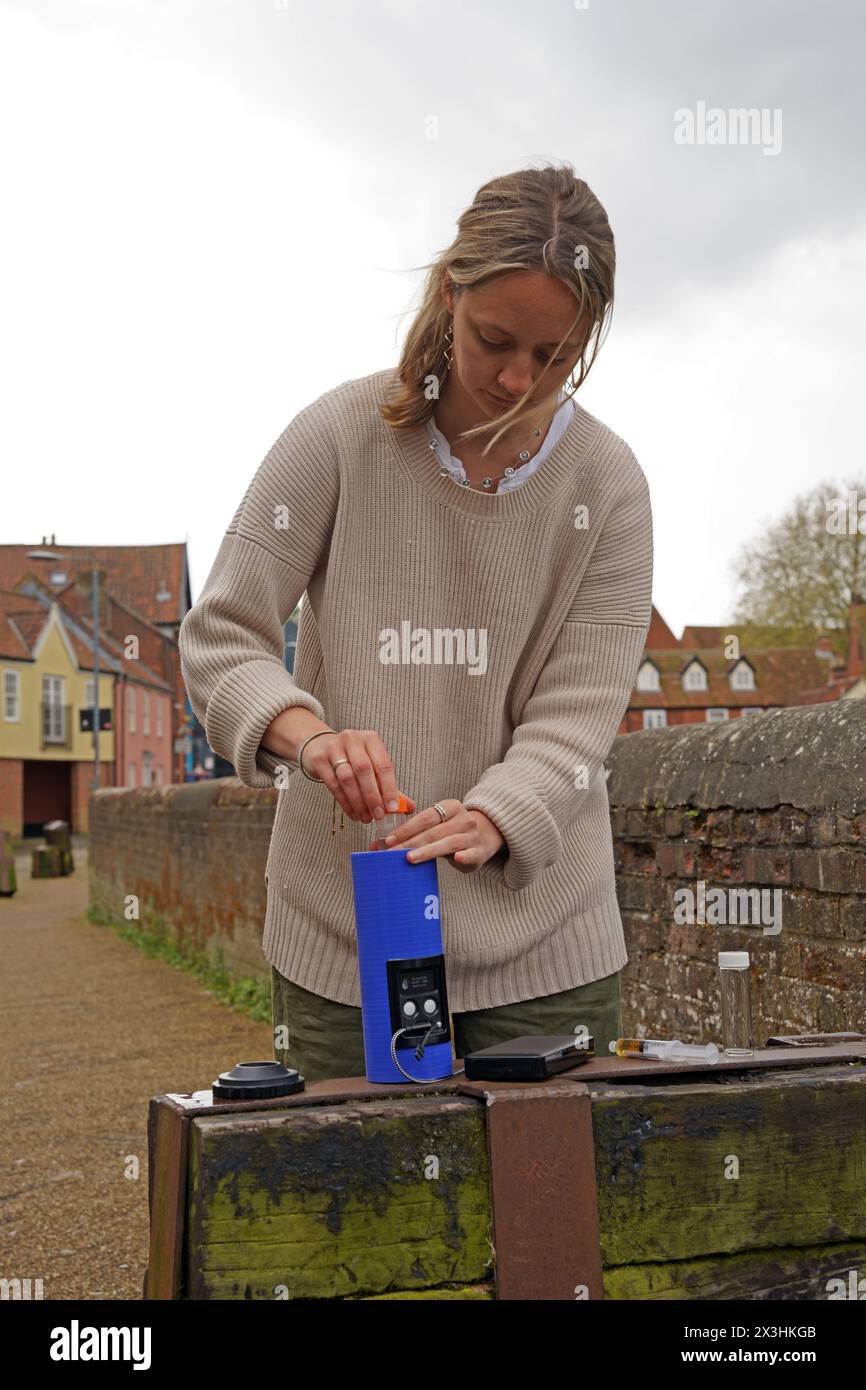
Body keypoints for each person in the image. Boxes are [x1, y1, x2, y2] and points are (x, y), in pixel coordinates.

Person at [178, 161, 653, 1083]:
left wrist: (495, 815)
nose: (519, 378)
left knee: (554, 1225)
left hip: (545, 952)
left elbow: (581, 709)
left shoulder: (610, 487)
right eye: (495, 340)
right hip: (345, 949)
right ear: (449, 293)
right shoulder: (337, 436)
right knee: (347, 1215)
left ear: (589, 336)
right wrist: (310, 738)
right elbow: (221, 634)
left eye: (554, 356)